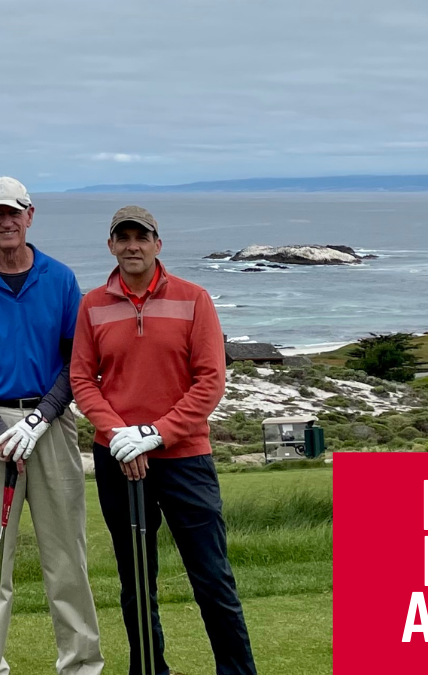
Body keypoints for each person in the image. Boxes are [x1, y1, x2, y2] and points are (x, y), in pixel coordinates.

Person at [71, 205, 257, 675]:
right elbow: (82, 380)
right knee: (136, 580)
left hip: (185, 457)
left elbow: (210, 380)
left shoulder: (195, 298)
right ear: (111, 245)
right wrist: (118, 437)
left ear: (158, 243)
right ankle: (150, 670)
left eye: (141, 236)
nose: (132, 245)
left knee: (212, 577)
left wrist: (155, 434)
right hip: (118, 459)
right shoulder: (92, 304)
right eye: (123, 237)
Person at [0, 176, 104, 675]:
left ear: (30, 215)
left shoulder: (59, 279)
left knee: (66, 554)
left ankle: (80, 664)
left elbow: (77, 362)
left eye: (14, 212)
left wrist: (39, 418)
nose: (6, 221)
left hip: (51, 423)